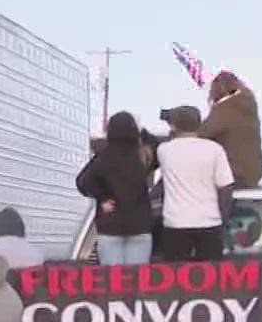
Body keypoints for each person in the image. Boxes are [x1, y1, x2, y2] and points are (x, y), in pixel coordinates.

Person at [154, 105, 236, 261]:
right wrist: (223, 218)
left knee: (177, 279)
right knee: (211, 280)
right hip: (209, 222)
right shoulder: (215, 149)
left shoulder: (164, 150)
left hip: (175, 223)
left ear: (173, 126)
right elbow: (226, 188)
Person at [76, 111, 157, 265]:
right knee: (137, 280)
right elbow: (157, 146)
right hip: (139, 225)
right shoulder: (143, 156)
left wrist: (102, 198)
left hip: (110, 224)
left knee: (113, 282)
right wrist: (143, 131)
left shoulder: (104, 157)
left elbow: (82, 182)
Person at [200, 70, 262, 189]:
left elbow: (202, 133)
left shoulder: (226, 108)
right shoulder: (247, 106)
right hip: (252, 172)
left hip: (233, 171)